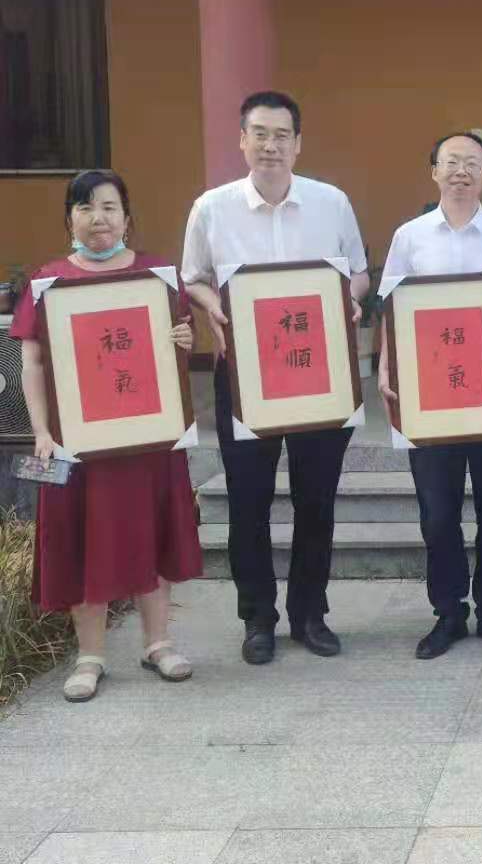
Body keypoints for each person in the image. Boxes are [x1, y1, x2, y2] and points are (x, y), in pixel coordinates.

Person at [181, 90, 368, 666]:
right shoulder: (211, 208)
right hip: (245, 380)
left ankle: (310, 613)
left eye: (281, 134)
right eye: (259, 133)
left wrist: (352, 302)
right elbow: (194, 278)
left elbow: (357, 273)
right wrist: (214, 307)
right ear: (242, 140)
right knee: (249, 503)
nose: (270, 145)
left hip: (320, 379)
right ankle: (257, 617)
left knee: (316, 501)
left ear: (298, 143)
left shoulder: (330, 202)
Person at [15, 170, 203, 701]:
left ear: (127, 216)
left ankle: (158, 643)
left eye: (109, 207)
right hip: (77, 447)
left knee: (153, 534)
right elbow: (31, 360)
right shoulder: (49, 281)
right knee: (82, 542)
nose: (98, 218)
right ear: (69, 218)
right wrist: (42, 431)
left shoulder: (156, 278)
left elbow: (173, 351)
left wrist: (182, 337)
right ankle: (90, 656)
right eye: (85, 208)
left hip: (147, 440)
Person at [379, 131, 482, 660]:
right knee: (437, 513)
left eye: (472, 163)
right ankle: (448, 612)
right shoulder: (409, 237)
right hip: (429, 400)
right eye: (451, 162)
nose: (461, 171)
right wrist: (385, 366)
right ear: (434, 171)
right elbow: (392, 307)